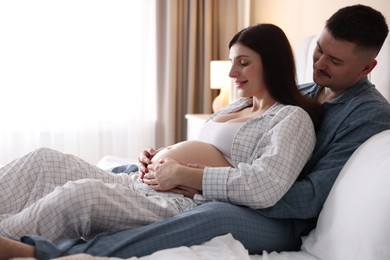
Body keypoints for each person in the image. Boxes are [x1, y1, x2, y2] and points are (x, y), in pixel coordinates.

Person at [0, 23, 322, 259]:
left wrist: (183, 174)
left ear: (272, 62)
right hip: (141, 183)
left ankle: (7, 241)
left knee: (81, 196)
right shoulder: (237, 106)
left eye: (243, 62)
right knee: (46, 159)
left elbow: (266, 184)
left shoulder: (291, 118)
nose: (232, 73)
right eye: (232, 61)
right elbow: (204, 150)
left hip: (180, 202)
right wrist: (157, 157)